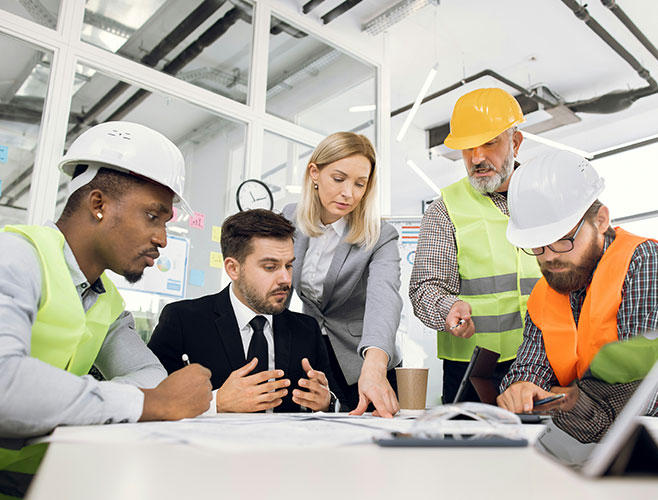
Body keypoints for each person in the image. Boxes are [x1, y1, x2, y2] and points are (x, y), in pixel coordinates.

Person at [0, 121, 212, 498]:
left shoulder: (107, 302)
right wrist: (150, 403)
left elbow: (148, 372)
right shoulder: (15, 257)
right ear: (98, 204)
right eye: (153, 216)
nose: (162, 239)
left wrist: (63, 403)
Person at [497, 150, 658, 416]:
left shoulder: (650, 264)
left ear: (601, 220)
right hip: (589, 440)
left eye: (562, 239)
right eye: (536, 246)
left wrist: (568, 398)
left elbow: (648, 394)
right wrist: (521, 388)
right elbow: (531, 368)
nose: (549, 256)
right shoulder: (546, 291)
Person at [409, 88, 541, 404]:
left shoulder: (548, 196)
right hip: (473, 372)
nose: (477, 157)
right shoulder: (444, 209)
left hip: (546, 361)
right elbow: (424, 289)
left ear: (516, 142)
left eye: (490, 142)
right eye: (468, 148)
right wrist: (447, 308)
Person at [149, 209, 338, 413]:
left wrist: (327, 402)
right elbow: (151, 400)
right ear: (233, 269)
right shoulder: (183, 321)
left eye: (289, 265)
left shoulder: (306, 329)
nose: (285, 279)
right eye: (270, 267)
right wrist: (216, 403)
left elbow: (337, 401)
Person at [282, 132, 402, 418]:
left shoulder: (380, 236)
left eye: (360, 184)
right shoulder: (289, 218)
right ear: (315, 173)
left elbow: (384, 299)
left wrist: (373, 367)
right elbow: (278, 287)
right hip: (308, 357)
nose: (349, 193)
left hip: (361, 360)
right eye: (339, 179)